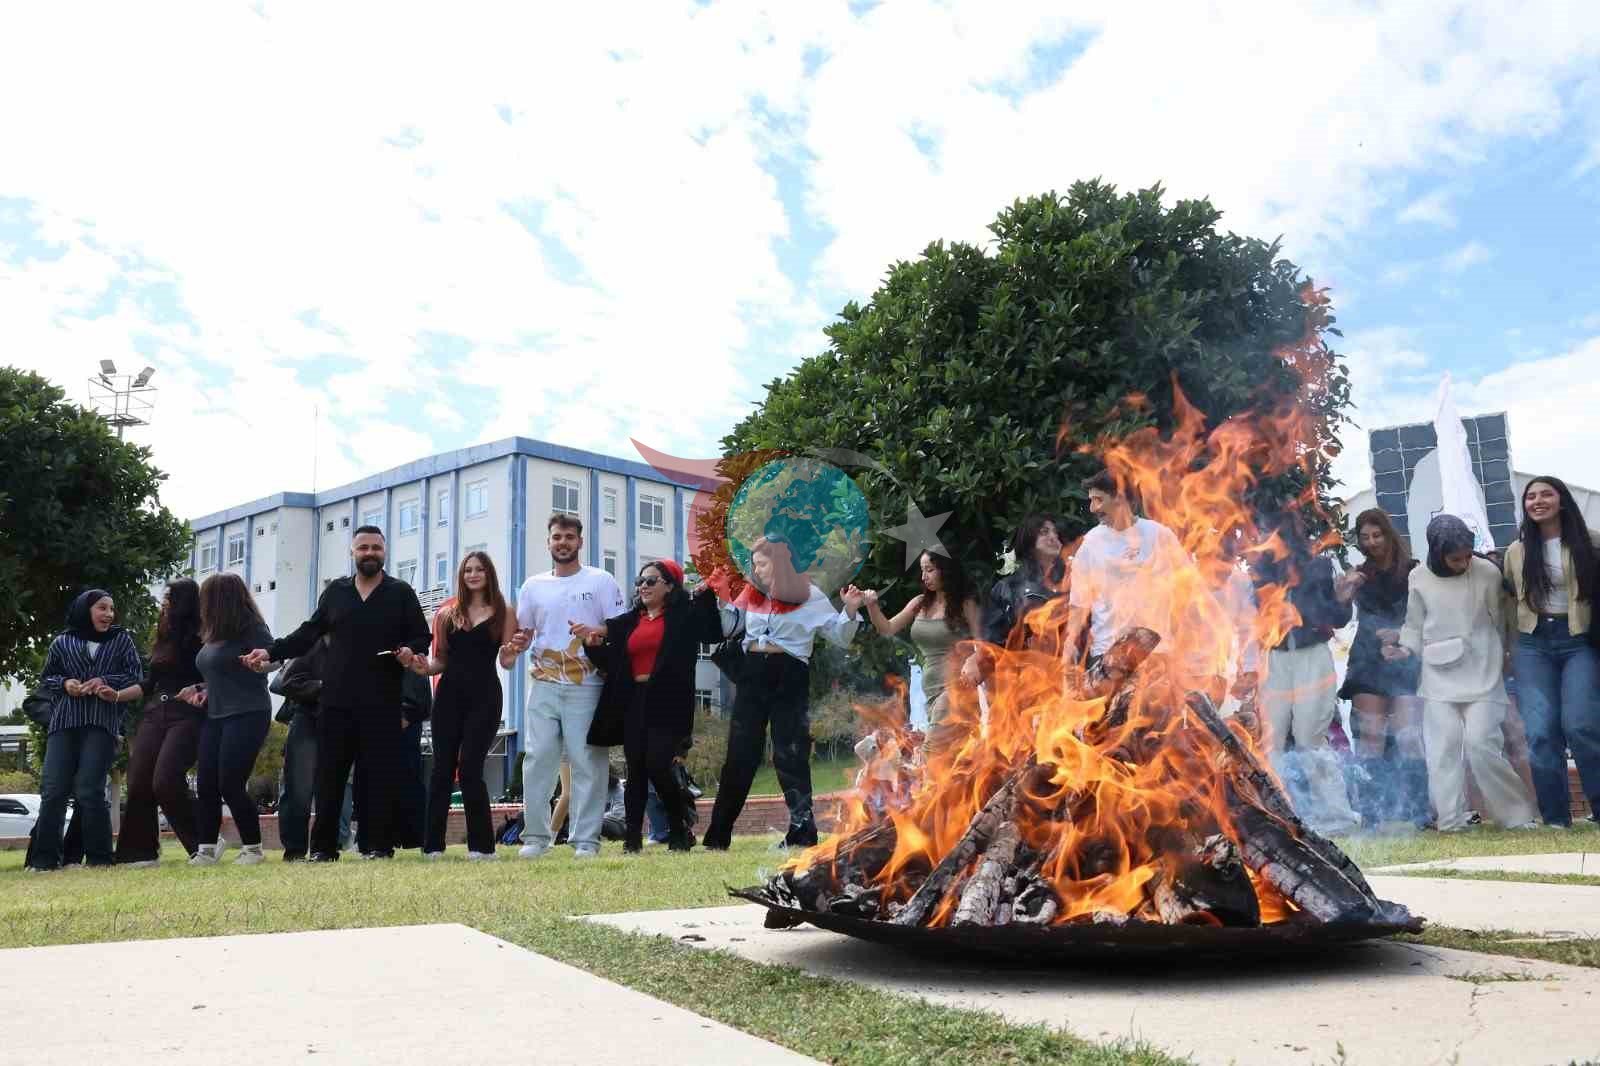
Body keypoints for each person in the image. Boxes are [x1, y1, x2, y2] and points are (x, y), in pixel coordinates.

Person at [244, 525, 432, 860]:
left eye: (376, 547)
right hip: (336, 701)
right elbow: (308, 633)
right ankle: (324, 849)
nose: (370, 553)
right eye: (363, 547)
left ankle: (377, 846)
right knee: (329, 777)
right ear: (353, 552)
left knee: (377, 777)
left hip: (382, 700)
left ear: (384, 552)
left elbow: (421, 636)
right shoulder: (336, 593)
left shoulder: (400, 592)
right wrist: (271, 651)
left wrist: (409, 651)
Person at [700, 534, 866, 850]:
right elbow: (730, 628)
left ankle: (802, 832)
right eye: (755, 564)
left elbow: (839, 636)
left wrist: (849, 610)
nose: (757, 570)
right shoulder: (752, 592)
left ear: (779, 562)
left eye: (762, 564)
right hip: (752, 673)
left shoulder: (810, 595)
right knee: (739, 754)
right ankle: (718, 836)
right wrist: (722, 598)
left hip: (789, 673)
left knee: (790, 753)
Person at [1387, 515, 1538, 831]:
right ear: (1437, 552)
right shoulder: (1418, 576)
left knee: (1482, 744)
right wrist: (1404, 649)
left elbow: (1505, 617)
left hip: (1485, 670)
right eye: (1456, 558)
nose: (1464, 563)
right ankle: (1451, 820)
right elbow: (1414, 624)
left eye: (1468, 555)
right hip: (1437, 675)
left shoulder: (1487, 572)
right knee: (1442, 748)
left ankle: (1516, 817)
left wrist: (1511, 652)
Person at [573, 558, 725, 852]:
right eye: (640, 581)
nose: (643, 586)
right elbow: (612, 664)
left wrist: (706, 596)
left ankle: (678, 829)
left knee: (658, 764)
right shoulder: (630, 621)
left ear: (670, 586)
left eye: (651, 580)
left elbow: (713, 633)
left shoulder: (684, 616)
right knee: (636, 771)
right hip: (635, 700)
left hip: (669, 701)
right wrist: (592, 646)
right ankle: (632, 841)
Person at [510, 514, 626, 859]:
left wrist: (596, 631)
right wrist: (518, 642)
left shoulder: (601, 580)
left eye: (569, 537)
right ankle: (535, 838)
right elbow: (525, 632)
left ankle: (586, 841)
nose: (563, 543)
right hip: (543, 683)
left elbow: (621, 626)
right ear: (548, 542)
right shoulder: (532, 586)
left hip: (587, 684)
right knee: (537, 760)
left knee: (587, 761)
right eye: (557, 537)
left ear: (580, 542)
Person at [1248, 512, 1363, 836]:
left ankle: (1336, 817)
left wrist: (1343, 598)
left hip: (1312, 656)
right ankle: (1279, 816)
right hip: (1275, 659)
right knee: (1272, 740)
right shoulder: (1259, 571)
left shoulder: (1318, 566)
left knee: (1310, 738)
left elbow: (1335, 617)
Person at [1502, 475, 1600, 827]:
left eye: (1546, 494)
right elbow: (1509, 603)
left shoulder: (1591, 542)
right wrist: (1508, 650)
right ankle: (1556, 818)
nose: (1538, 501)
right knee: (1540, 732)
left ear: (1562, 500)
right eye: (1531, 496)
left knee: (1581, 725)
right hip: (1533, 643)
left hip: (1578, 640)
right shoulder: (1516, 551)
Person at [409, 551, 520, 860]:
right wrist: (423, 668)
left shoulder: (505, 612)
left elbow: (507, 661)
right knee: (441, 770)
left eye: (479, 569)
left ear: (489, 573)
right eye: (468, 570)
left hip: (485, 697)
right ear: (461, 575)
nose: (473, 574)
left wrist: (511, 652)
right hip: (448, 697)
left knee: (470, 768)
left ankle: (482, 848)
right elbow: (439, 661)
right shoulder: (447, 614)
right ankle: (432, 846)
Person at [27, 590, 143, 872]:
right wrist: (65, 683)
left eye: (111, 609)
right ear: (85, 610)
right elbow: (48, 677)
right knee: (53, 790)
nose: (108, 614)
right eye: (102, 608)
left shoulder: (121, 640)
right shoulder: (62, 642)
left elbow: (135, 676)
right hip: (64, 722)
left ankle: (100, 859)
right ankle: (44, 861)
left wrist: (104, 680)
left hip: (101, 723)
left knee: (89, 790)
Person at [1338, 509, 1427, 828]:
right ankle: (1371, 816)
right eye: (1365, 537)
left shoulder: (1415, 571)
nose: (1372, 542)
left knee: (1408, 735)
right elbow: (1339, 618)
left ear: (1389, 535)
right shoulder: (1359, 574)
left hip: (1405, 655)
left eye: (1377, 535)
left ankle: (1419, 813)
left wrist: (1400, 635)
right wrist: (1344, 592)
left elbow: (1425, 616)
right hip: (1368, 657)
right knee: (1370, 736)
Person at [116, 579, 205, 866]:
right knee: (138, 780)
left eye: (170, 599)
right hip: (155, 711)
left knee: (165, 780)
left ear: (185, 603)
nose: (164, 604)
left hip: (188, 713)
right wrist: (116, 695)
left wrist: (201, 689)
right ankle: (138, 853)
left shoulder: (204, 635)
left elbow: (217, 675)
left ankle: (204, 842)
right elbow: (148, 683)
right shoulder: (163, 637)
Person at [190, 573, 275, 865]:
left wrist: (260, 663)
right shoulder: (213, 635)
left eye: (205, 598)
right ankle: (206, 849)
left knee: (230, 782)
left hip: (248, 712)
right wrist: (202, 690)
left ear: (219, 600)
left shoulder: (252, 628)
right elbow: (218, 674)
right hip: (215, 715)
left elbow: (275, 659)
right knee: (206, 783)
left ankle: (253, 849)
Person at [1062, 471, 1186, 666]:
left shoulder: (1160, 535)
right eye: (1091, 501)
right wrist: (1070, 642)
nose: (1092, 508)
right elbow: (1079, 604)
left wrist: (1181, 637)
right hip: (1107, 655)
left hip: (1156, 655)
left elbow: (1186, 588)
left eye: (1098, 500)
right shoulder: (1090, 544)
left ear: (1119, 498)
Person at [864, 550, 980, 729]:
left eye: (930, 570)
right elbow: (887, 628)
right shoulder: (919, 603)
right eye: (922, 570)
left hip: (957, 686)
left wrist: (973, 660)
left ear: (945, 570)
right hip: (930, 691)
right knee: (948, 744)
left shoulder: (965, 604)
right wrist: (872, 606)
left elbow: (983, 644)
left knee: (933, 743)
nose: (924, 576)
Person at [272, 637, 353, 861]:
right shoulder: (312, 645)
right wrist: (323, 686)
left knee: (333, 789)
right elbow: (288, 682)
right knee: (299, 789)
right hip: (309, 719)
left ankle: (324, 849)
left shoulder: (357, 646)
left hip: (341, 720)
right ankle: (295, 850)